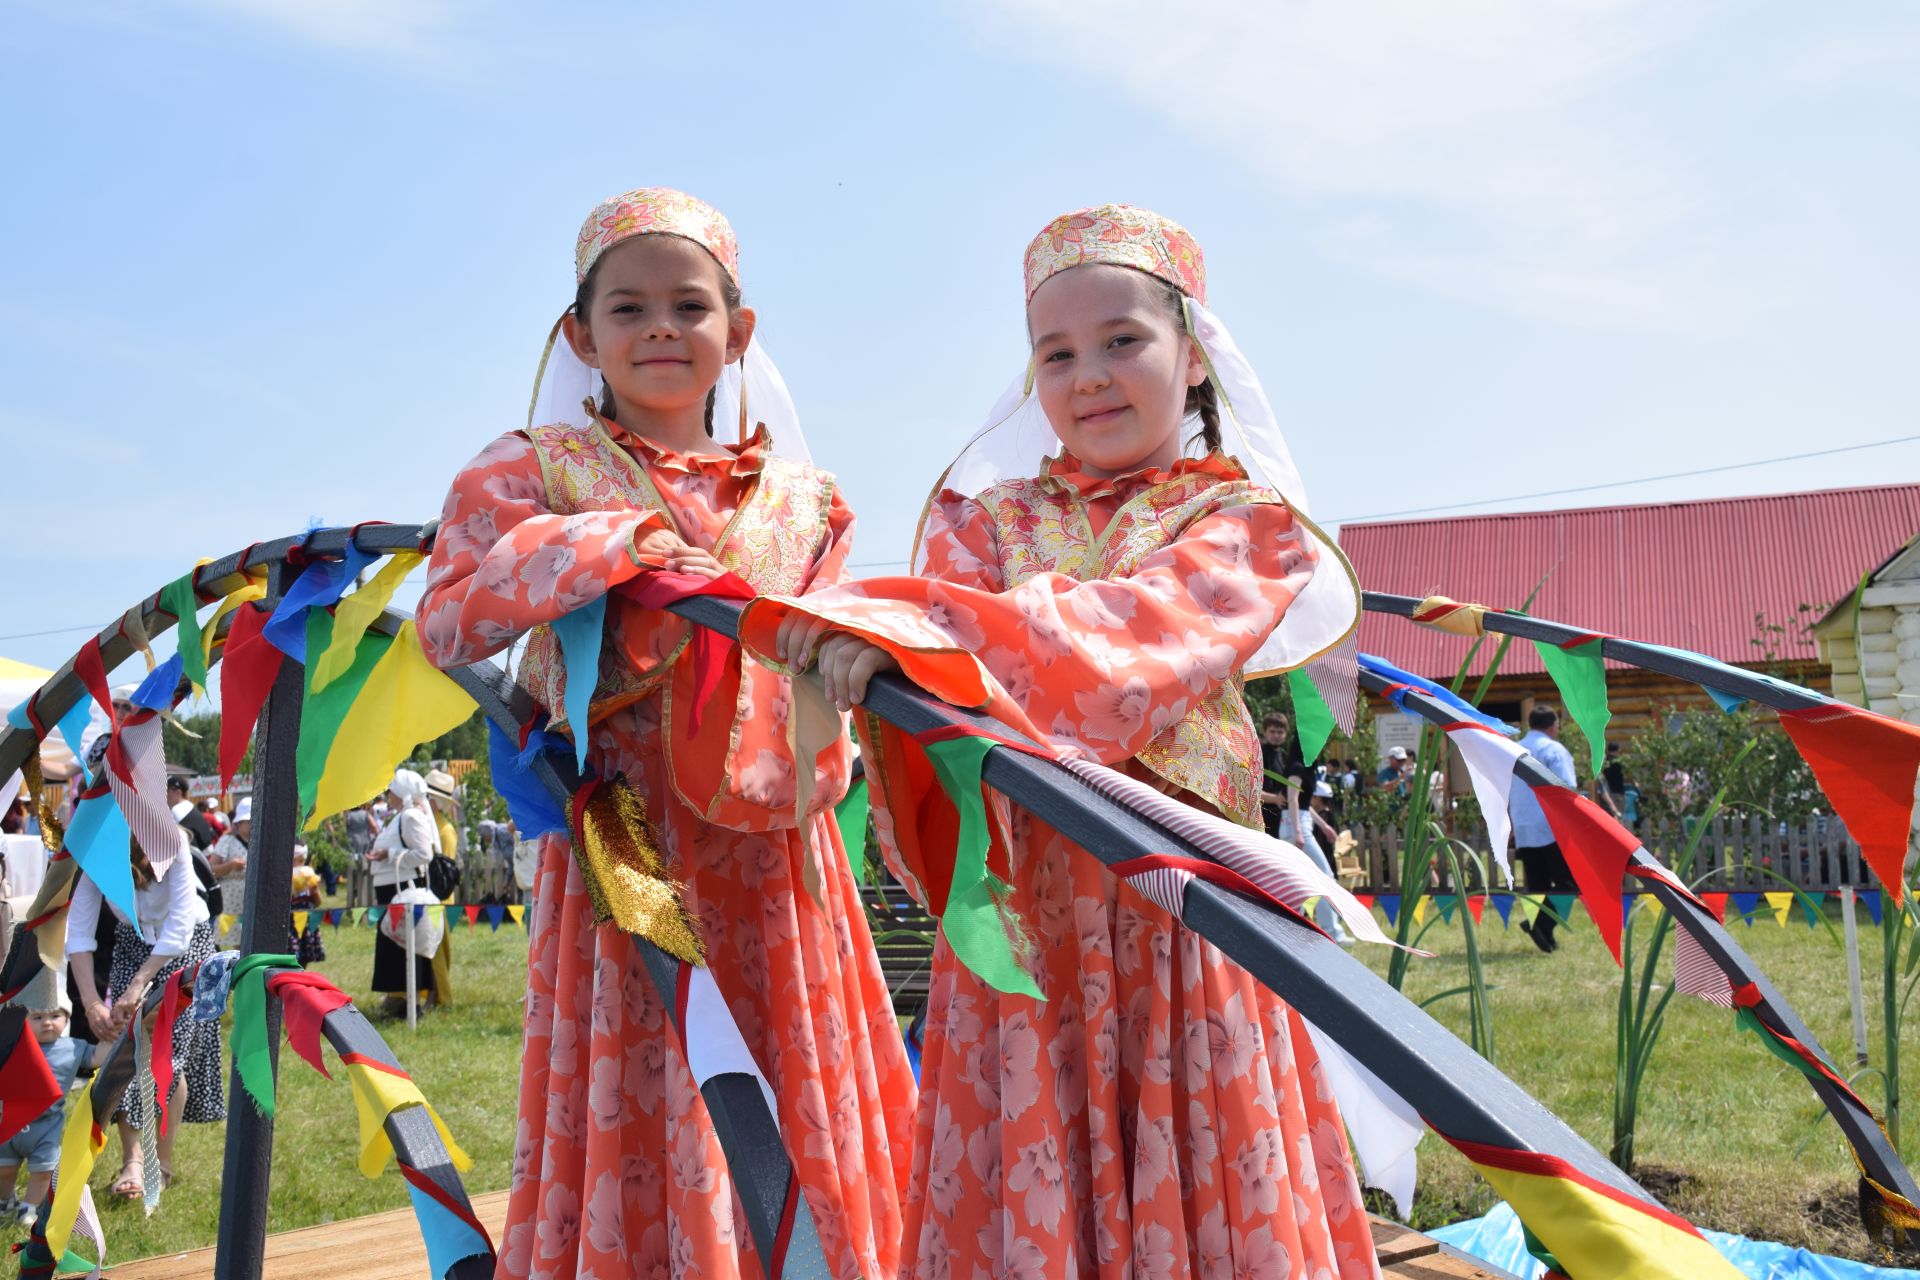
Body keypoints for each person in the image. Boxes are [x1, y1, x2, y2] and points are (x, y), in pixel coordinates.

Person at [753, 205, 1375, 1276]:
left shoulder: (1243, 525)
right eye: (1057, 352)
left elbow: (1126, 651)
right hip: (1022, 926)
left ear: (1196, 357)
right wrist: (896, 652)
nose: (1089, 374)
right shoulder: (977, 523)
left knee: (1196, 1166)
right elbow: (947, 685)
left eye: (1123, 340)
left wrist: (913, 631)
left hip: (1180, 921)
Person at [416, 187, 911, 1279]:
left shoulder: (807, 499)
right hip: (626, 846)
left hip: (782, 862)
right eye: (628, 307)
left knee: (790, 1065)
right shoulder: (534, 469)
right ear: (580, 335)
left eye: (689, 306)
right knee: (652, 1067)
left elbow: (846, 648)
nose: (659, 329)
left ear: (739, 331)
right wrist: (607, 546)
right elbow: (447, 612)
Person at [66, 829, 224, 1200]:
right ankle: (133, 1159)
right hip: (133, 942)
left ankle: (160, 1164)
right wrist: (91, 1004)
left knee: (166, 1055)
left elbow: (180, 929)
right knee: (125, 1046)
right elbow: (79, 933)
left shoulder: (172, 840)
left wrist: (138, 987)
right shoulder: (98, 845)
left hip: (185, 945)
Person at [0, 1000, 104, 1224]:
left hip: (46, 1127)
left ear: (67, 1019)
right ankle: (6, 1201)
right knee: (4, 1169)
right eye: (37, 1017)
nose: (47, 1022)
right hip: (9, 1122)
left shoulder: (74, 1047)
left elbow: (97, 1057)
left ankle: (29, 1208)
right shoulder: (13, 1045)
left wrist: (112, 1035)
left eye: (55, 1016)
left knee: (44, 1172)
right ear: (24, 1021)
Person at [367, 769, 437, 1015]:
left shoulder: (410, 817)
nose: (389, 794)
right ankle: (398, 1000)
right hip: (392, 893)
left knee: (404, 947)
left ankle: (408, 1004)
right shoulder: (401, 817)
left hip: (403, 892)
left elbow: (424, 855)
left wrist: (390, 855)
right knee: (395, 948)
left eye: (392, 790)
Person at [1511, 705, 1579, 953]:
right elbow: (1565, 789)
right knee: (1569, 883)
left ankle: (1545, 934)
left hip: (1524, 825)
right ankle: (1540, 924)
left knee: (1538, 885)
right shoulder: (1554, 749)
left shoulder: (1515, 749)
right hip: (1550, 826)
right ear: (1553, 725)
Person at [422, 769, 460, 1009]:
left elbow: (444, 867)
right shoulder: (431, 824)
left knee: (436, 949)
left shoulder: (445, 830)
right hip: (429, 895)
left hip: (438, 897)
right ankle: (432, 995)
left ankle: (442, 998)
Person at [206, 796, 251, 942]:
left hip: (255, 896)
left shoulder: (263, 839)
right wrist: (230, 865)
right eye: (249, 821)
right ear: (239, 822)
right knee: (238, 942)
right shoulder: (227, 840)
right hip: (233, 898)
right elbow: (211, 870)